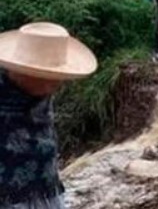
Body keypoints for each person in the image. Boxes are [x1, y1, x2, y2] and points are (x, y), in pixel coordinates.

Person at [0, 22, 98, 209]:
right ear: (21, 72)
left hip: (46, 190)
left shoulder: (41, 98)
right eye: (49, 76)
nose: (58, 82)